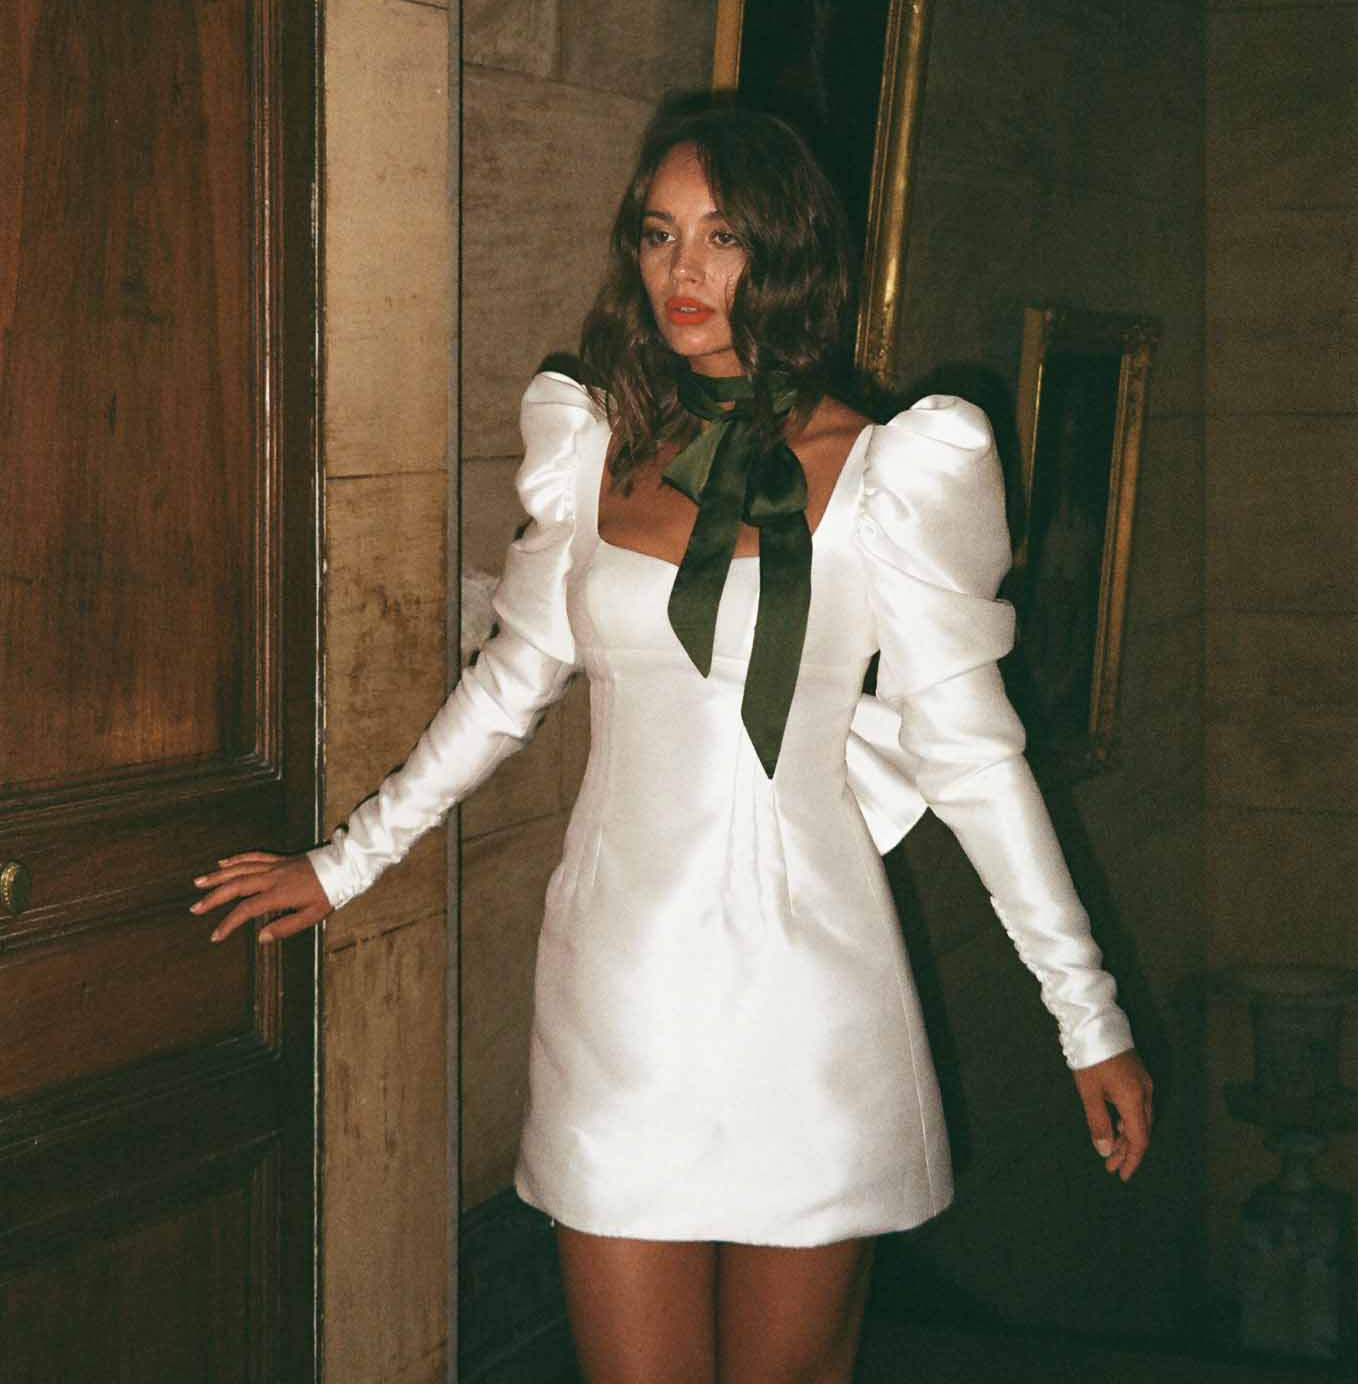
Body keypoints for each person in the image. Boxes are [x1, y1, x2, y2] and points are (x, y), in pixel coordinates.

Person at [193, 98, 1153, 1384]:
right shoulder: (591, 450)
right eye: (657, 236)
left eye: (720, 237)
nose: (683, 274)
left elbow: (976, 755)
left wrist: (1083, 1014)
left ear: (787, 254)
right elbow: (509, 681)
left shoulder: (889, 471)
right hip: (618, 982)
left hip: (814, 992)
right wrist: (343, 863)